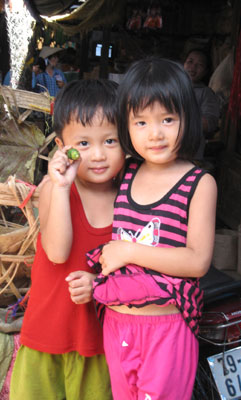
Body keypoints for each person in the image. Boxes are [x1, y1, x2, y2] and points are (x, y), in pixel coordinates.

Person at [85, 57, 217, 400]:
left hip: (166, 328)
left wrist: (129, 250)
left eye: (167, 119)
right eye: (140, 122)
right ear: (125, 126)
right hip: (117, 325)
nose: (155, 133)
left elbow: (197, 262)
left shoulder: (199, 183)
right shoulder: (125, 172)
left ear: (188, 118)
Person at [9, 79, 125, 400]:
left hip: (99, 341)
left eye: (111, 140)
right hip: (48, 332)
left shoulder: (131, 198)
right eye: (84, 144)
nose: (99, 155)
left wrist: (98, 283)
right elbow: (58, 252)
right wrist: (60, 186)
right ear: (63, 146)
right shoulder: (54, 189)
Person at [183, 48, 220, 144]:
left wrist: (178, 121)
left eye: (199, 65)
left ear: (206, 71)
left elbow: (210, 123)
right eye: (190, 61)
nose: (193, 67)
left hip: (189, 151)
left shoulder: (206, 93)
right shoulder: (170, 88)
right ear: (183, 64)